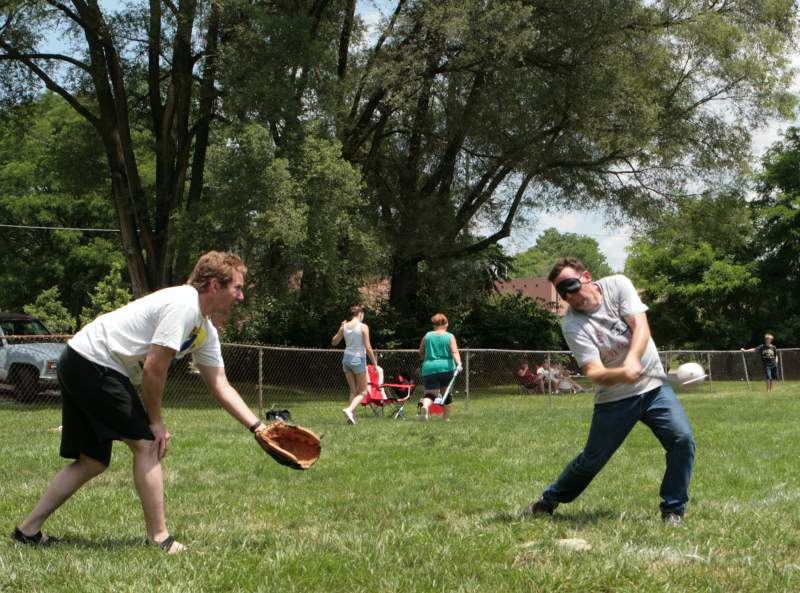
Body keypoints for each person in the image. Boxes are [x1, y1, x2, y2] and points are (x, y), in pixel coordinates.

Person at [10, 251, 269, 553]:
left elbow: (219, 384)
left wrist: (258, 428)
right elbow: (154, 368)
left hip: (81, 358)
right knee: (147, 444)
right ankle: (159, 538)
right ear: (214, 285)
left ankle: (27, 532)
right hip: (93, 360)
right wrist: (155, 422)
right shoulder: (183, 305)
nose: (240, 297)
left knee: (92, 460)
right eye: (237, 288)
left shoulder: (203, 329)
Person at [522, 257, 695, 526]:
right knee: (591, 461)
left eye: (571, 285)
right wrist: (621, 373)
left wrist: (633, 359)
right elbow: (593, 372)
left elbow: (641, 326)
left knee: (682, 440)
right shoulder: (572, 324)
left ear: (587, 277)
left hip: (653, 388)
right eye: (562, 291)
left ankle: (673, 509)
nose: (569, 295)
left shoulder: (617, 285)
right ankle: (549, 500)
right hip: (614, 399)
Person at [331, 306, 378, 425]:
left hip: (346, 359)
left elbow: (334, 342)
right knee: (363, 392)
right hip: (358, 359)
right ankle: (350, 410)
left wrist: (340, 328)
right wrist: (375, 363)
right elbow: (368, 348)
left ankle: (352, 418)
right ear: (360, 314)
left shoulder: (345, 326)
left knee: (353, 390)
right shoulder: (363, 327)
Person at [419, 313, 463, 421]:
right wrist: (459, 363)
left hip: (429, 368)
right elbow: (454, 352)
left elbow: (421, 351)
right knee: (446, 393)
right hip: (446, 368)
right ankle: (446, 419)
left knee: (430, 393)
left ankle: (425, 406)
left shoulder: (427, 335)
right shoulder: (449, 336)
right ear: (446, 324)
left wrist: (426, 359)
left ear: (434, 324)